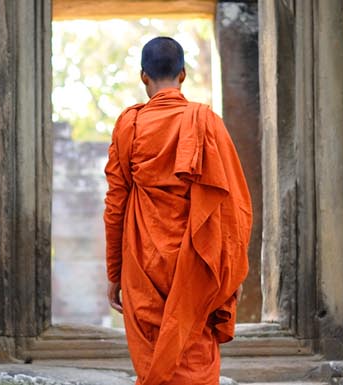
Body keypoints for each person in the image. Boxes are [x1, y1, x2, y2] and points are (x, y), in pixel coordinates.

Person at [104, 36, 253, 385]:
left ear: (144, 77)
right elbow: (235, 205)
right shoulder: (206, 122)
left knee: (155, 359)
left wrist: (114, 272)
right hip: (197, 263)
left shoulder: (129, 126)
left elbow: (115, 205)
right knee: (194, 349)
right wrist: (231, 271)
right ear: (183, 75)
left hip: (143, 265)